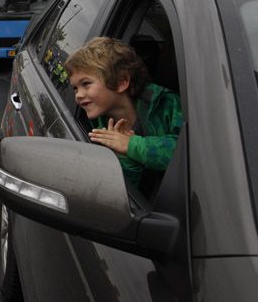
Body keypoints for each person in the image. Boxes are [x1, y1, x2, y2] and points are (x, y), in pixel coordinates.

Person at [66, 37, 184, 189]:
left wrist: (131, 145)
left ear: (121, 82)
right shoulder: (96, 131)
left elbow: (189, 153)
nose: (78, 95)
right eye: (75, 88)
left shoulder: (166, 104)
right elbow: (123, 191)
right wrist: (124, 158)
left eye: (86, 84)